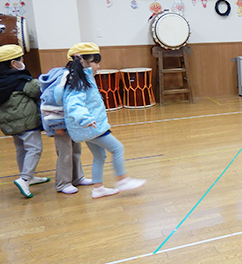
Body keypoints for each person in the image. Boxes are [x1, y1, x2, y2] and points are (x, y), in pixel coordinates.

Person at [55, 43, 146, 199]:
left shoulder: (82, 78)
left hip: (89, 128)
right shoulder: (79, 82)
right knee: (117, 148)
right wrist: (86, 119)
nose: (98, 66)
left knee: (100, 156)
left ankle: (98, 188)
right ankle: (122, 180)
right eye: (95, 62)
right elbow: (73, 104)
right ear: (83, 61)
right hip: (92, 127)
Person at [0, 44, 50, 198]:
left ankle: (28, 175)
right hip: (26, 122)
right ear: (13, 63)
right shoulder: (20, 79)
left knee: (21, 149)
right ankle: (25, 179)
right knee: (34, 148)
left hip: (10, 123)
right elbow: (37, 90)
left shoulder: (2, 80)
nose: (23, 62)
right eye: (20, 59)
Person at [40, 66, 92, 194]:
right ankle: (63, 183)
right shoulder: (64, 77)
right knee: (65, 153)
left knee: (76, 150)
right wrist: (56, 124)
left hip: (70, 123)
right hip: (60, 124)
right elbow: (50, 102)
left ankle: (77, 177)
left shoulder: (75, 76)